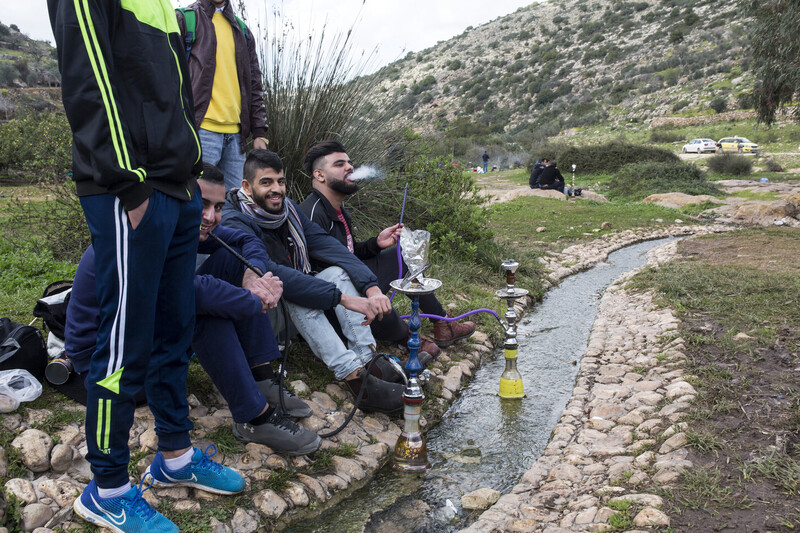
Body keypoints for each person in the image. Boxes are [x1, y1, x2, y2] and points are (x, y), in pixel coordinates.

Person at [48, 0, 243, 531]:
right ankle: (107, 488)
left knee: (173, 332)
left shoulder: (164, 5)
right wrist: (127, 183)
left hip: (177, 187)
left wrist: (188, 175)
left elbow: (175, 98)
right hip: (129, 189)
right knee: (124, 343)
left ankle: (175, 457)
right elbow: (86, 79)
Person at [66, 166, 321, 456]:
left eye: (219, 207)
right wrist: (252, 300)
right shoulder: (138, 234)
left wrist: (255, 274)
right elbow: (191, 292)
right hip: (110, 364)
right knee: (199, 310)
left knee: (232, 259)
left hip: (145, 339)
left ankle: (260, 378)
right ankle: (254, 418)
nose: (210, 217)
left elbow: (246, 240)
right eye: (201, 205)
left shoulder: (177, 223)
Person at [222, 149, 406, 414]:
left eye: (281, 181)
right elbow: (274, 274)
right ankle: (354, 378)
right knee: (292, 290)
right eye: (266, 182)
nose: (277, 190)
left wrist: (372, 288)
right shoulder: (234, 220)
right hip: (254, 317)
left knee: (336, 272)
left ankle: (368, 360)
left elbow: (330, 247)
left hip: (283, 304)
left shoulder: (288, 210)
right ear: (246, 187)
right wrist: (344, 299)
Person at [299, 141, 475, 353]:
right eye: (339, 164)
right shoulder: (312, 213)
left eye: (350, 163)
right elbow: (323, 272)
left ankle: (443, 323)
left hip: (350, 279)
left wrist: (376, 243)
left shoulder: (339, 210)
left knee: (402, 254)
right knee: (379, 304)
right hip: (335, 299)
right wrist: (370, 289)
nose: (350, 168)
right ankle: (403, 335)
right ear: (319, 175)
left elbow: (348, 252)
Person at [177, 0, 268, 191]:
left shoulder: (242, 30)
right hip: (200, 131)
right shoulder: (185, 19)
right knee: (196, 203)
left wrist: (260, 132)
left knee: (233, 210)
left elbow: (254, 85)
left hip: (236, 140)